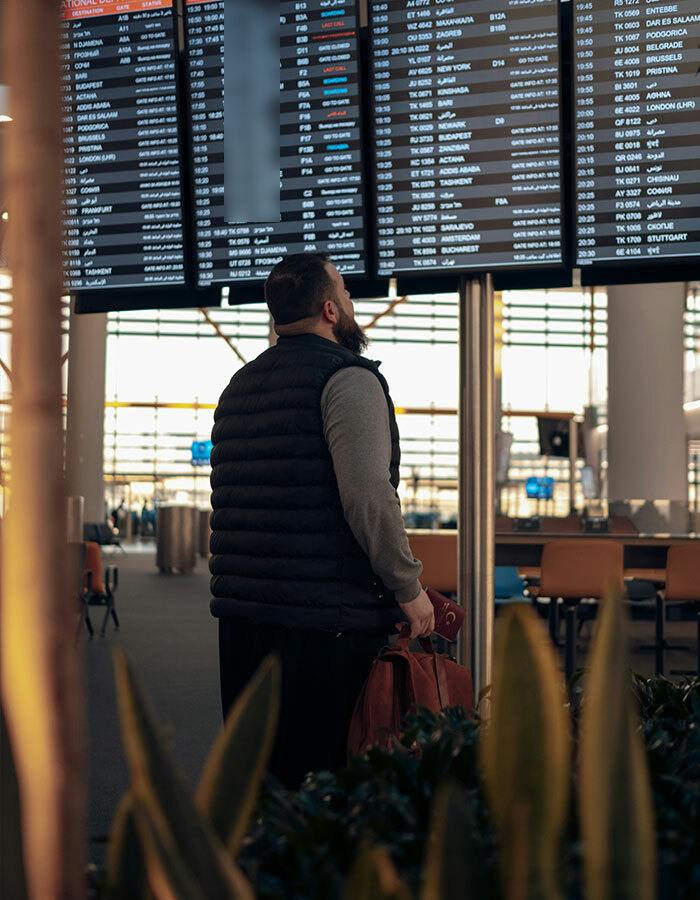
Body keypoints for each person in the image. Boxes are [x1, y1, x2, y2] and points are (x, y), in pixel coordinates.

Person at [209, 252, 434, 787]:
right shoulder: (347, 379)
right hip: (324, 628)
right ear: (332, 311)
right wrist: (409, 587)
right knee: (324, 788)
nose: (353, 303)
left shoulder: (238, 388)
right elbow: (366, 495)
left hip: (243, 625)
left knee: (260, 782)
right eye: (349, 294)